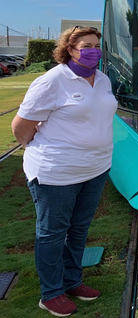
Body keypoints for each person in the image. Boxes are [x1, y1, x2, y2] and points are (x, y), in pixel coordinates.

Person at [11, 26, 117, 317]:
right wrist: (45, 150)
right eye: (86, 45)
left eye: (97, 45)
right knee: (52, 233)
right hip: (55, 174)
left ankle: (72, 282)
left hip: (95, 170)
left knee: (79, 229)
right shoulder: (52, 81)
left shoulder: (104, 80)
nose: (94, 50)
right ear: (70, 49)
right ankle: (51, 292)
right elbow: (20, 128)